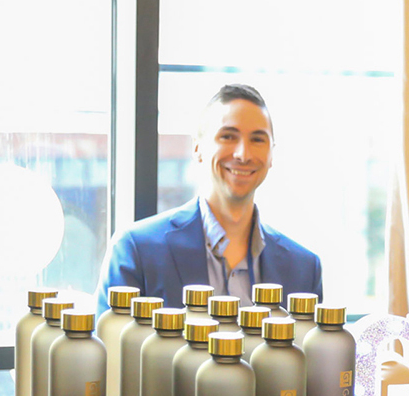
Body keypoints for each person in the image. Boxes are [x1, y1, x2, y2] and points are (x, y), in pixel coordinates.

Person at [95, 84, 322, 315]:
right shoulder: (137, 250)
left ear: (271, 154)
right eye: (228, 136)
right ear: (197, 148)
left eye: (257, 139)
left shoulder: (304, 269)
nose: (243, 154)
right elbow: (111, 338)